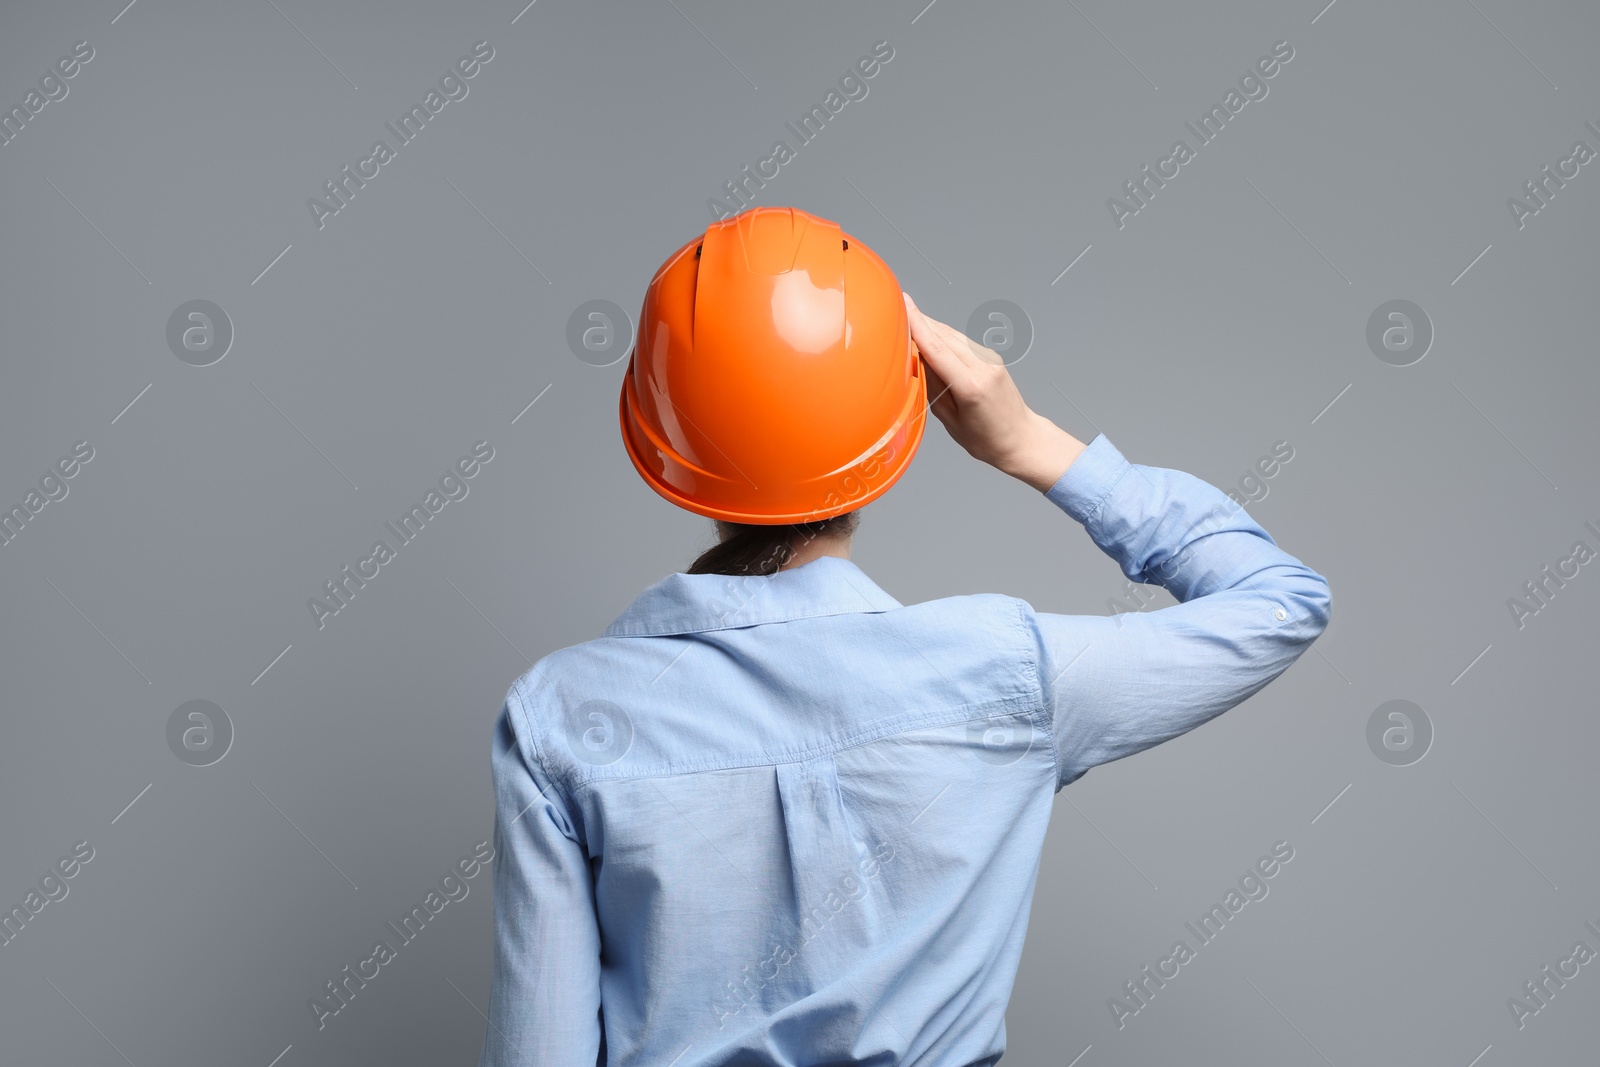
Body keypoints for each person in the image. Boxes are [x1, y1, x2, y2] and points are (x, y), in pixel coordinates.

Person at [479, 207, 1331, 1066]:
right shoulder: (1006, 672)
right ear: (903, 420)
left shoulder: (562, 716)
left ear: (667, 444)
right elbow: (1280, 599)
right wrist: (1031, 443)